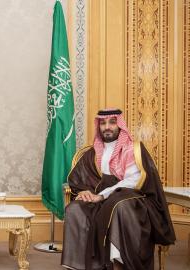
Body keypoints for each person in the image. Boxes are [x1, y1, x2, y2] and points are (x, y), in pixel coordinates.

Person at [61, 108, 175, 270]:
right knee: (74, 209)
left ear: (120, 125)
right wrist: (84, 191)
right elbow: (79, 179)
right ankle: (83, 265)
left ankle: (118, 265)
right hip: (99, 200)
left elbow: (134, 181)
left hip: (133, 200)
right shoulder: (93, 153)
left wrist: (102, 196)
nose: (107, 127)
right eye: (103, 123)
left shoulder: (133, 149)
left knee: (118, 206)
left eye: (112, 122)